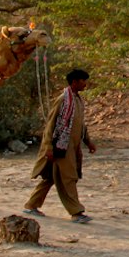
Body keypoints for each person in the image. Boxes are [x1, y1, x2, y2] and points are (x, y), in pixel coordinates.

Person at [24, 69, 96, 223]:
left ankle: (31, 205)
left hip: (73, 146)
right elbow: (50, 125)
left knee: (50, 178)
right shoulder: (63, 100)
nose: (85, 84)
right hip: (61, 146)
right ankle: (76, 212)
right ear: (74, 82)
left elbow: (80, 125)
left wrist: (88, 141)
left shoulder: (77, 100)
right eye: (83, 80)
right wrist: (49, 147)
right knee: (68, 178)